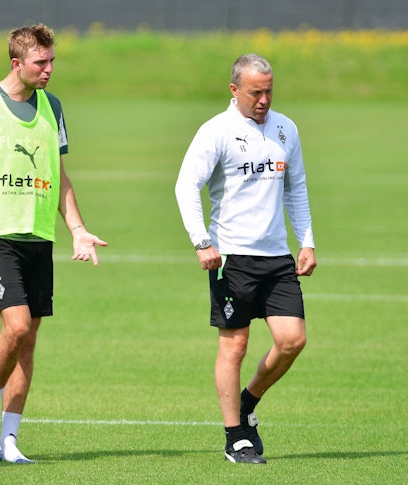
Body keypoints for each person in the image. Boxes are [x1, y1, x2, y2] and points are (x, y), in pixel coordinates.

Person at [0, 24, 107, 464]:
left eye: (51, 62)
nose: (48, 70)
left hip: (39, 235)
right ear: (17, 63)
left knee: (28, 342)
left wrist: (78, 229)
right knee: (17, 326)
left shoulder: (52, 106)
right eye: (39, 63)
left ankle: (9, 439)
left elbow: (60, 174)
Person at [174, 54, 317, 464]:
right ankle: (235, 435)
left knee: (293, 340)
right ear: (234, 90)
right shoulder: (215, 132)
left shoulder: (285, 129)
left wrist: (306, 242)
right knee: (234, 346)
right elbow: (186, 186)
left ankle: (247, 402)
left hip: (276, 257)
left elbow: (297, 188)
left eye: (269, 90)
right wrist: (202, 241)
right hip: (231, 256)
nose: (264, 99)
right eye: (256, 92)